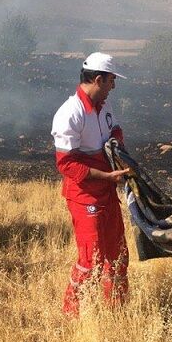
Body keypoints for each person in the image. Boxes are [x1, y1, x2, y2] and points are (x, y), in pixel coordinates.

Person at [51, 52, 131, 316]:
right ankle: (71, 316)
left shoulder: (104, 106)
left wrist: (117, 148)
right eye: (110, 81)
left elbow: (115, 130)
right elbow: (67, 165)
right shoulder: (69, 114)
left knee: (118, 256)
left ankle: (117, 313)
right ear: (98, 79)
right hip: (85, 196)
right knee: (91, 261)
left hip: (107, 193)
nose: (113, 87)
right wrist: (106, 176)